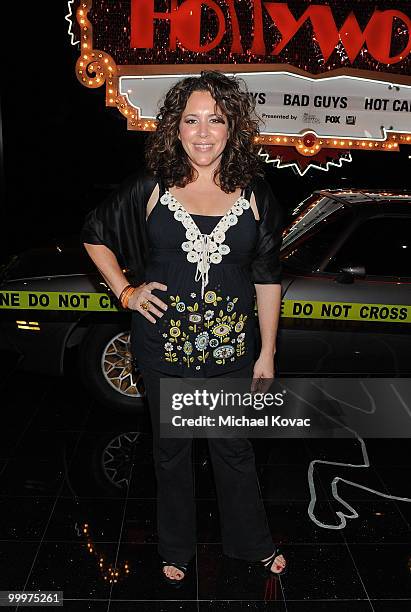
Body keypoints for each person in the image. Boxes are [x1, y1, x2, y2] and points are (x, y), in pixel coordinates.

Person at [80, 70, 287, 587]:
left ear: (233, 128)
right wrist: (125, 291)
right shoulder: (151, 188)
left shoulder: (257, 194)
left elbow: (268, 279)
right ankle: (176, 547)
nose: (202, 131)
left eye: (215, 119)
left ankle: (252, 544)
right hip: (163, 349)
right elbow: (95, 235)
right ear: (174, 128)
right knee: (170, 454)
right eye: (190, 119)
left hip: (233, 354)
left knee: (234, 451)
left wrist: (267, 354)